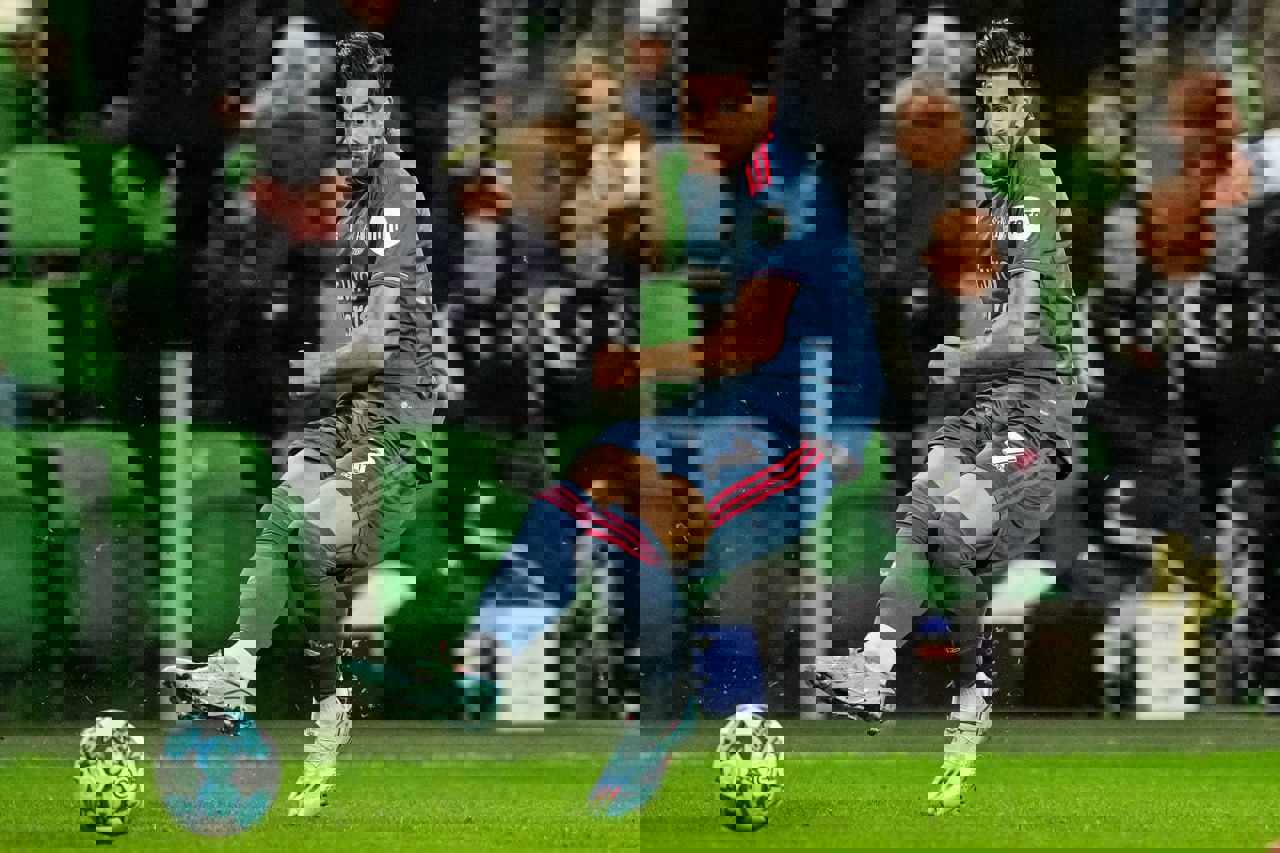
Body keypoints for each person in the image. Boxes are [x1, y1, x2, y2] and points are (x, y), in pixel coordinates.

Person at [456, 40, 884, 815]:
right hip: (739, 419)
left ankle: (704, 722)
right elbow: (660, 246)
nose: (700, 127)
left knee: (677, 529)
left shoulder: (788, 188)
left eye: (716, 110)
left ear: (759, 106)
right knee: (609, 474)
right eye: (692, 113)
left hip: (814, 428)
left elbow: (747, 341)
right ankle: (509, 637)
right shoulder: (741, 188)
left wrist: (635, 361)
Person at [159, 31, 437, 817]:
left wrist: (321, 365)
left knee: (321, 532)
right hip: (352, 407)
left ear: (384, 110)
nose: (354, 119)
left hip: (393, 408)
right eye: (344, 104)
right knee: (290, 507)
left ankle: (367, 607)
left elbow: (378, 330)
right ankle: (244, 666)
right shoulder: (352, 197)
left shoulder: (390, 196)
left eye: (365, 103)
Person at [810, 19, 1081, 816]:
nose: (998, 112)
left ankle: (973, 671)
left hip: (1035, 400)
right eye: (988, 97)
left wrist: (964, 352)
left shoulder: (1030, 183)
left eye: (1008, 97)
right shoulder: (986, 186)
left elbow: (1026, 321)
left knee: (954, 530)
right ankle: (880, 668)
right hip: (986, 400)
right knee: (924, 507)